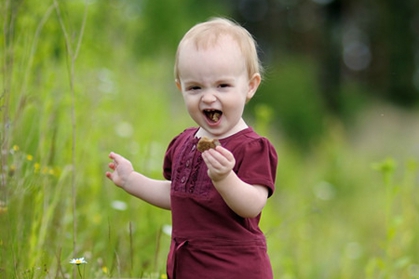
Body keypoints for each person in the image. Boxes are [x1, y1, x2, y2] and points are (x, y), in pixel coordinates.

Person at [106, 17, 278, 279]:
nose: (209, 97)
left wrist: (225, 178)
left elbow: (252, 204)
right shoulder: (184, 143)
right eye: (195, 87)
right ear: (181, 88)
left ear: (250, 87)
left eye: (222, 85)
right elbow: (179, 196)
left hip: (235, 269)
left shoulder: (250, 148)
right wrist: (133, 181)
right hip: (189, 267)